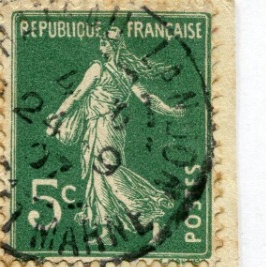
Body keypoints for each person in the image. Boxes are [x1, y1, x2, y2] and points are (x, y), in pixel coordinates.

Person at [44, 27, 187, 245]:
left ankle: (152, 211)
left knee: (109, 172)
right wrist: (171, 111)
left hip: (103, 126)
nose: (100, 46)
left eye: (104, 43)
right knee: (99, 177)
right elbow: (148, 99)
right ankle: (106, 230)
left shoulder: (98, 68)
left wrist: (58, 117)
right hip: (110, 127)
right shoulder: (127, 73)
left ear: (113, 47)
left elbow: (77, 95)